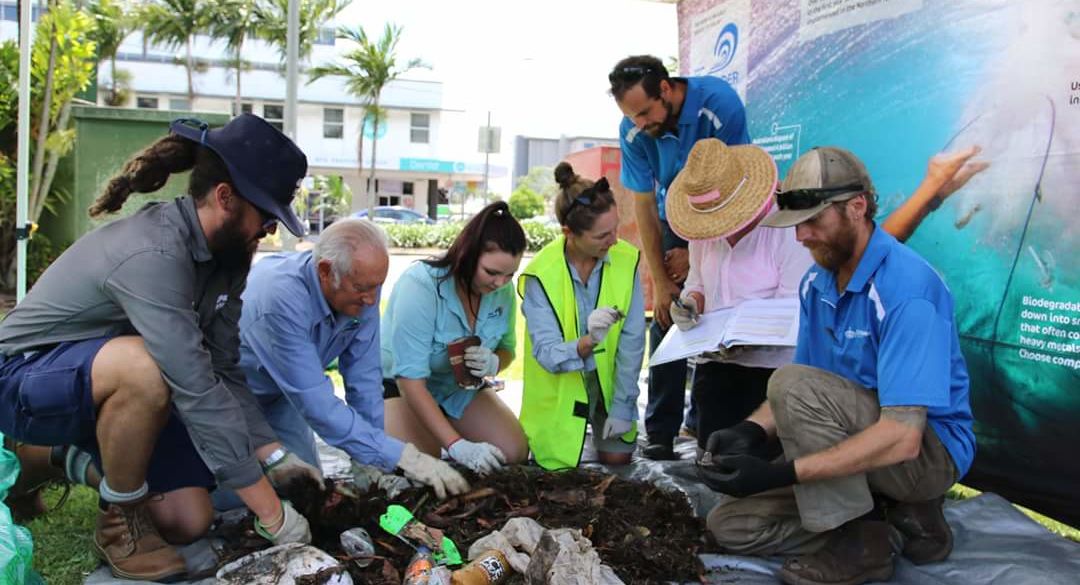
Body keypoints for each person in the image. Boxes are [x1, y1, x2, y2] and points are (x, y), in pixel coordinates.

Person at [0, 114, 317, 582]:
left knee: (188, 520)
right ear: (225, 198)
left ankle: (49, 460)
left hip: (105, 384)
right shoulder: (154, 254)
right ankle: (118, 526)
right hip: (24, 377)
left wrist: (272, 453)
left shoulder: (228, 258)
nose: (269, 231)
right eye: (266, 216)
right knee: (147, 368)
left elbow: (224, 369)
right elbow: (194, 384)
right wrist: (274, 517)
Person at [700, 147, 975, 585]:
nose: (801, 237)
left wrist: (782, 472)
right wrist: (750, 431)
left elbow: (903, 437)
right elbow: (803, 383)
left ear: (857, 208)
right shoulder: (817, 281)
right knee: (730, 526)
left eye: (813, 221)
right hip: (863, 441)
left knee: (789, 385)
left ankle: (861, 543)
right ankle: (891, 521)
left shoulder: (909, 290)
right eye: (796, 223)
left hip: (924, 451)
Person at [236, 219, 469, 500]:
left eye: (378, 286)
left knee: (307, 490)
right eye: (363, 288)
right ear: (325, 271)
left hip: (281, 397)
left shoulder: (362, 284)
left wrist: (370, 460)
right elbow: (316, 403)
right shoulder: (280, 298)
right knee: (234, 502)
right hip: (232, 398)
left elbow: (365, 378)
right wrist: (404, 457)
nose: (372, 300)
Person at [609, 54, 752, 460]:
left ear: (667, 90)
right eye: (630, 117)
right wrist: (662, 280)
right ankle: (660, 429)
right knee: (671, 315)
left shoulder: (719, 105)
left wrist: (700, 257)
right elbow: (642, 207)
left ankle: (708, 423)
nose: (638, 124)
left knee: (714, 312)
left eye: (644, 112)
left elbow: (736, 184)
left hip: (728, 212)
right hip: (673, 214)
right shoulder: (632, 131)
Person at [664, 139, 813, 454]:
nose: (722, 230)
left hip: (771, 374)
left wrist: (749, 336)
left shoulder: (788, 231)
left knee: (764, 471)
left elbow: (793, 309)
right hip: (715, 369)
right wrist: (691, 303)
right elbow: (698, 282)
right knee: (715, 459)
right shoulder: (703, 234)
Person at [381, 202, 529, 475]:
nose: (500, 283)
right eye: (492, 272)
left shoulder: (502, 291)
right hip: (400, 386)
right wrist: (458, 445)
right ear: (467, 255)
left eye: (510, 274)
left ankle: (446, 428)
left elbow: (508, 349)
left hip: (455, 387)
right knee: (425, 464)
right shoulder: (421, 285)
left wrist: (494, 363)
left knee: (513, 451)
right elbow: (410, 381)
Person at [517, 163, 646, 469]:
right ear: (568, 233)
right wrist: (589, 342)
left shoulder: (626, 260)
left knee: (618, 459)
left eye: (615, 228)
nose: (614, 240)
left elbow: (632, 342)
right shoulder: (541, 276)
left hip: (608, 388)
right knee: (558, 472)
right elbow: (547, 355)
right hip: (561, 395)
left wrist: (623, 407)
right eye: (603, 235)